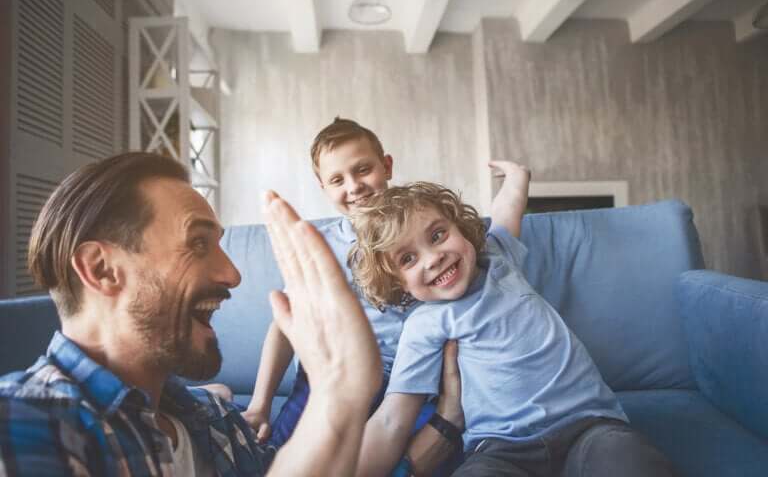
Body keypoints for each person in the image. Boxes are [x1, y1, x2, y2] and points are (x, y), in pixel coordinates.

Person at [0, 151, 383, 476]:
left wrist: (340, 390)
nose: (232, 275)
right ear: (102, 269)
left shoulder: (217, 420)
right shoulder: (25, 420)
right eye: (198, 243)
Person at [348, 161, 680, 477]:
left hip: (588, 424)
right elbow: (393, 419)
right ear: (398, 285)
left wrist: (517, 177)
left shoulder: (497, 257)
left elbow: (507, 212)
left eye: (437, 235)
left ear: (462, 229)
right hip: (501, 449)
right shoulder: (423, 325)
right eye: (408, 258)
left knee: (630, 461)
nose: (433, 258)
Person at [243, 117, 464, 475]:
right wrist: (260, 404)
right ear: (323, 187)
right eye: (337, 180)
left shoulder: (421, 231)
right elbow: (285, 326)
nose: (355, 187)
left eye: (363, 170)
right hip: (333, 374)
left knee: (413, 461)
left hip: (410, 381)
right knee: (277, 459)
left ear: (386, 166)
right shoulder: (323, 245)